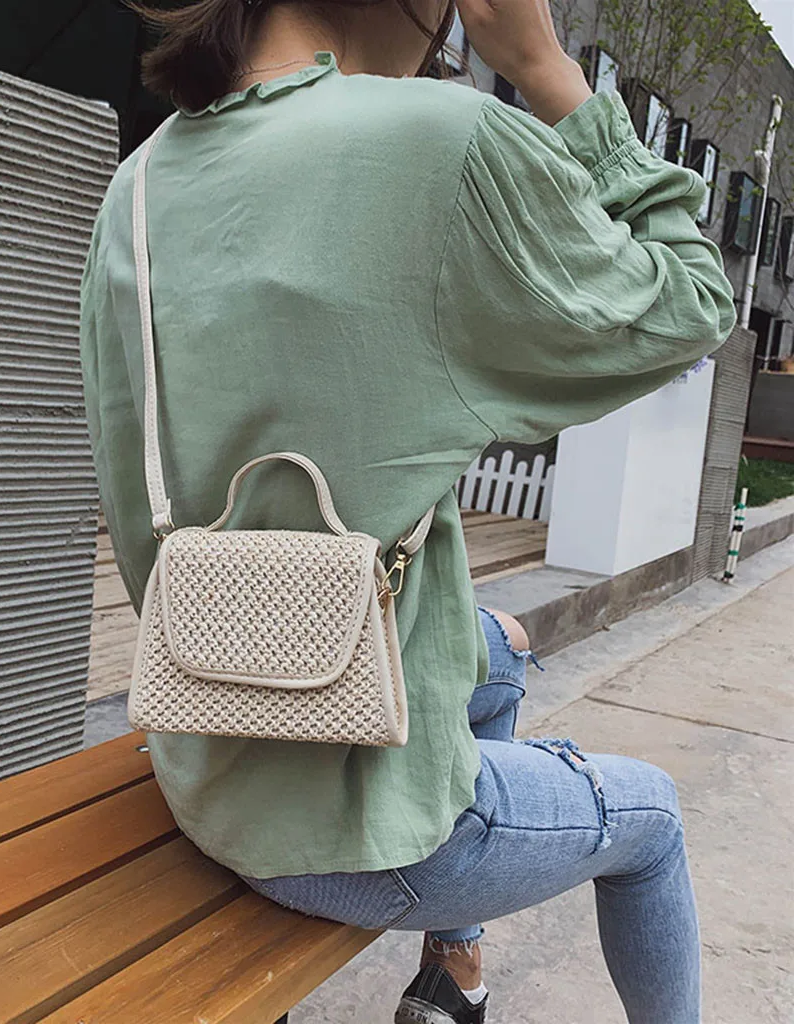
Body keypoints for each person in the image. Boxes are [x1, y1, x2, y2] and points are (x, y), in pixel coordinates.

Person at [79, 0, 736, 1019]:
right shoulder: (439, 140)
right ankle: (456, 932)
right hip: (359, 840)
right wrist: (545, 67)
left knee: (498, 649)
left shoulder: (141, 181)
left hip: (202, 757)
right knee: (650, 815)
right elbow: (693, 301)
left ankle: (454, 975)